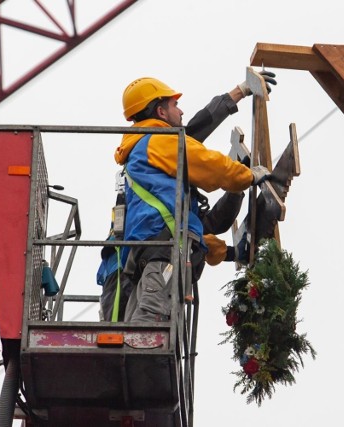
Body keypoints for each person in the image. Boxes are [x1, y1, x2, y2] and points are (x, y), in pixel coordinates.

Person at [97, 71, 276, 322]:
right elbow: (206, 160)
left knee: (133, 335)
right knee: (147, 332)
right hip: (156, 258)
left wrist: (232, 253)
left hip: (145, 261)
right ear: (160, 112)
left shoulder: (150, 155)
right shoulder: (159, 142)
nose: (180, 111)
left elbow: (194, 231)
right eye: (175, 105)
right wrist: (245, 176)